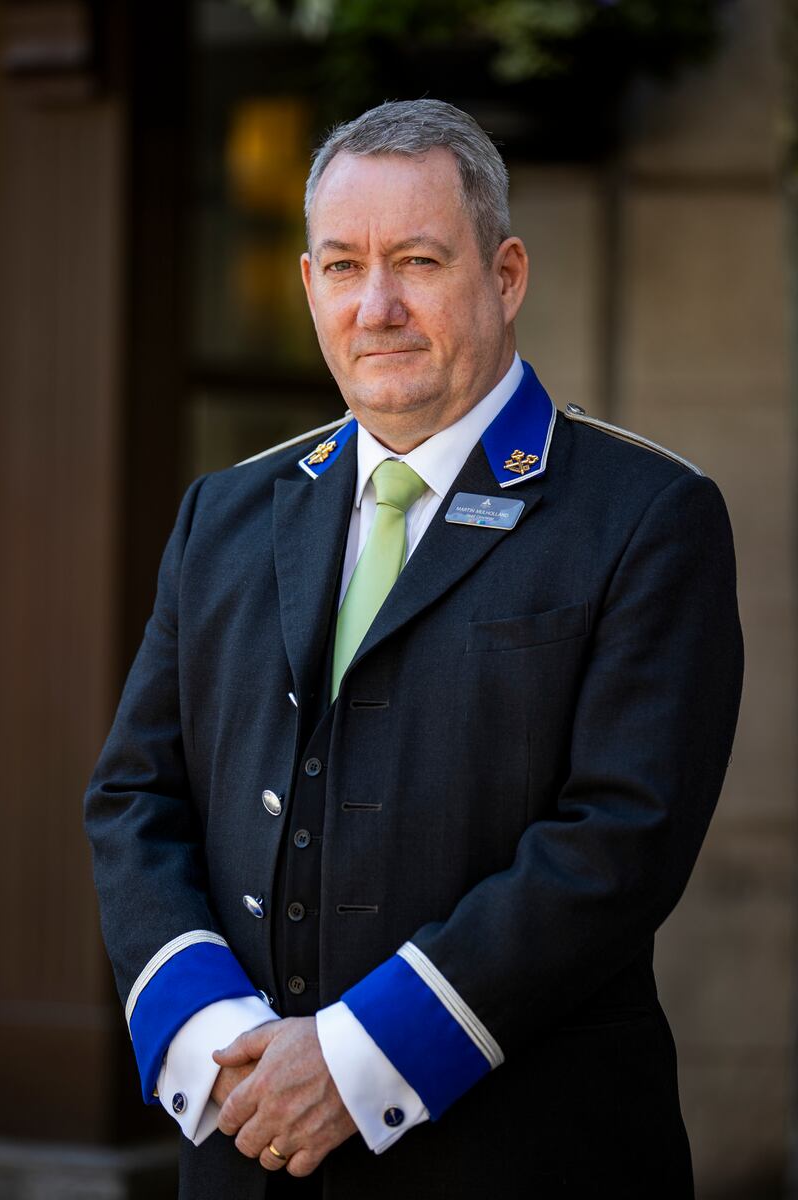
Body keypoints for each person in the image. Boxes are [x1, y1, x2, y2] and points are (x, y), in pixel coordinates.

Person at [85, 98, 743, 1200]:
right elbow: (132, 798)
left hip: (518, 1158)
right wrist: (210, 1041)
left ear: (506, 274)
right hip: (243, 1150)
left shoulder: (645, 515)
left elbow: (616, 841)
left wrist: (356, 1065)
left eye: (418, 261)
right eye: (343, 266)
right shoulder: (224, 514)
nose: (376, 305)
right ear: (307, 287)